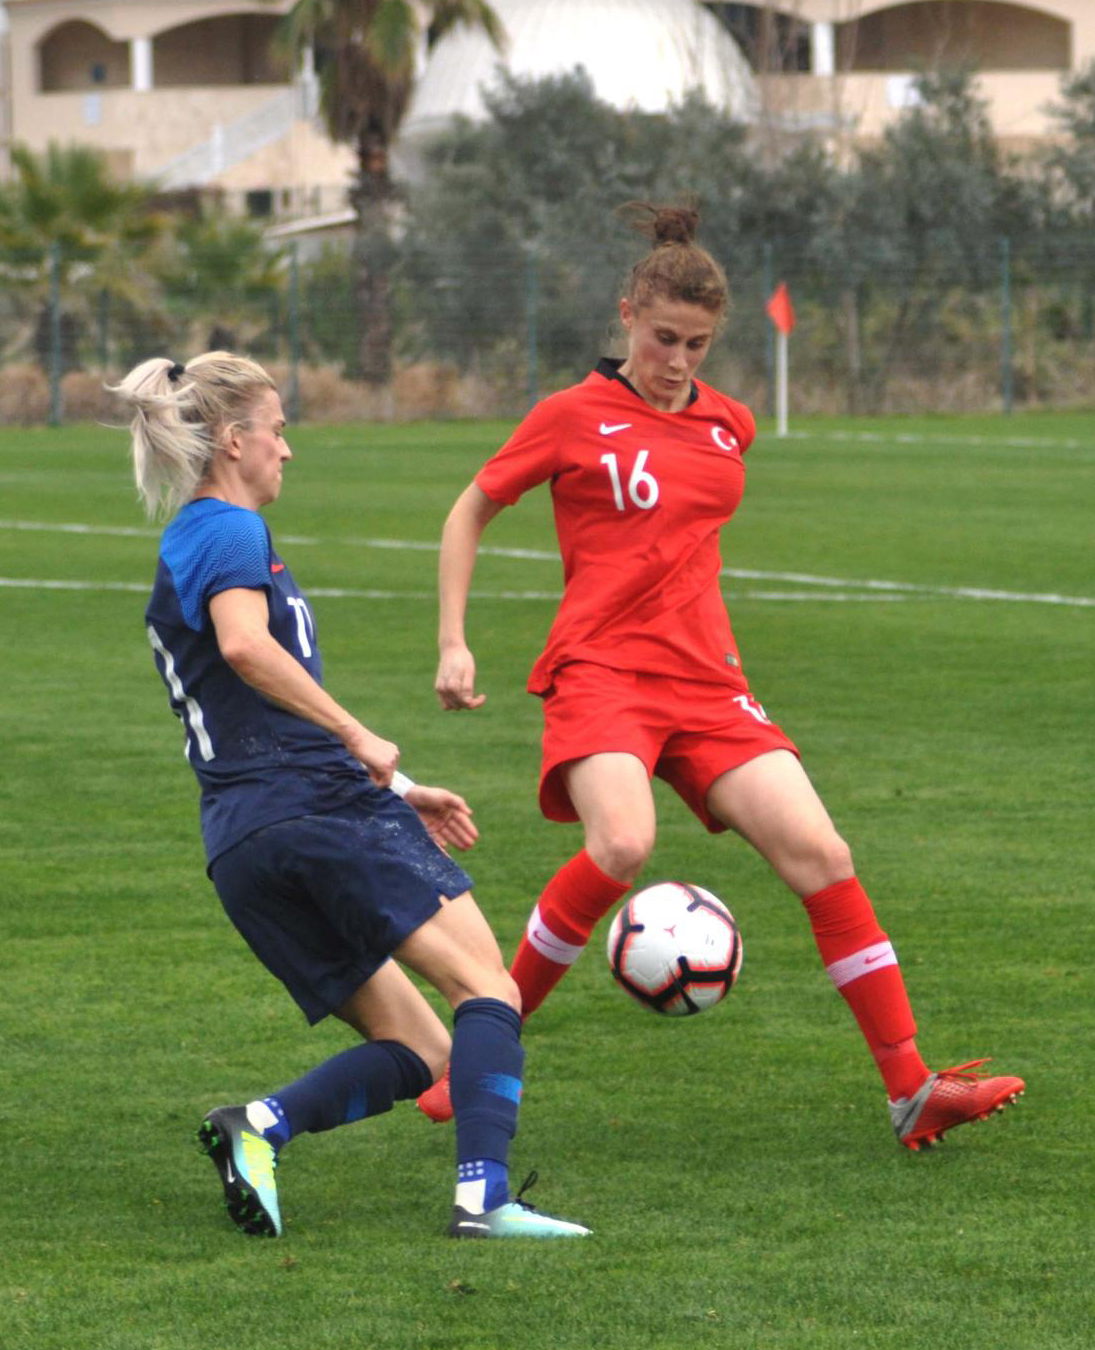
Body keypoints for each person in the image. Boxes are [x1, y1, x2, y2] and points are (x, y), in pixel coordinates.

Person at [416, 204, 1025, 1151]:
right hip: (601, 671)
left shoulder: (728, 426)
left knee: (821, 856)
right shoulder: (570, 417)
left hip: (706, 686)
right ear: (627, 316)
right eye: (663, 337)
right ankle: (481, 1058)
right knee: (621, 844)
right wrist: (453, 641)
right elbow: (468, 512)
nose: (677, 358)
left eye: (697, 343)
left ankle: (912, 1089)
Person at [114, 350, 589, 1239]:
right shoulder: (227, 529)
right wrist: (359, 738)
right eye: (278, 428)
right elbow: (249, 649)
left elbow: (247, 695)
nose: (287, 450)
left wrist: (397, 786)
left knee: (424, 1049)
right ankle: (484, 1203)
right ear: (232, 439)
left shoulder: (188, 539)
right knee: (490, 989)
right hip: (312, 810)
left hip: (245, 840)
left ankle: (258, 1129)